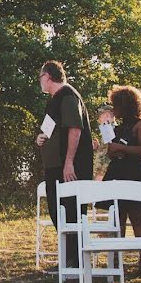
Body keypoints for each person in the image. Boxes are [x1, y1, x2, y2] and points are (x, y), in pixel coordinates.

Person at [35, 60, 94, 268]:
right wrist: (41, 138)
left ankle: (76, 261)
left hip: (68, 168)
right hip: (54, 167)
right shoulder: (53, 100)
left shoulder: (68, 96)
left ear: (48, 77)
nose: (39, 81)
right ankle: (69, 259)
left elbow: (75, 130)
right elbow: (49, 130)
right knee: (57, 211)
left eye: (40, 77)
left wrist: (69, 163)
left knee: (71, 213)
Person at [102, 85, 141, 239]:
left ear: (124, 106)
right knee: (118, 219)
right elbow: (110, 152)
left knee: (137, 217)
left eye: (115, 105)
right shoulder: (116, 128)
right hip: (117, 173)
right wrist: (111, 144)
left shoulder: (140, 125)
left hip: (135, 174)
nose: (113, 108)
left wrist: (123, 149)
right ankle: (117, 258)